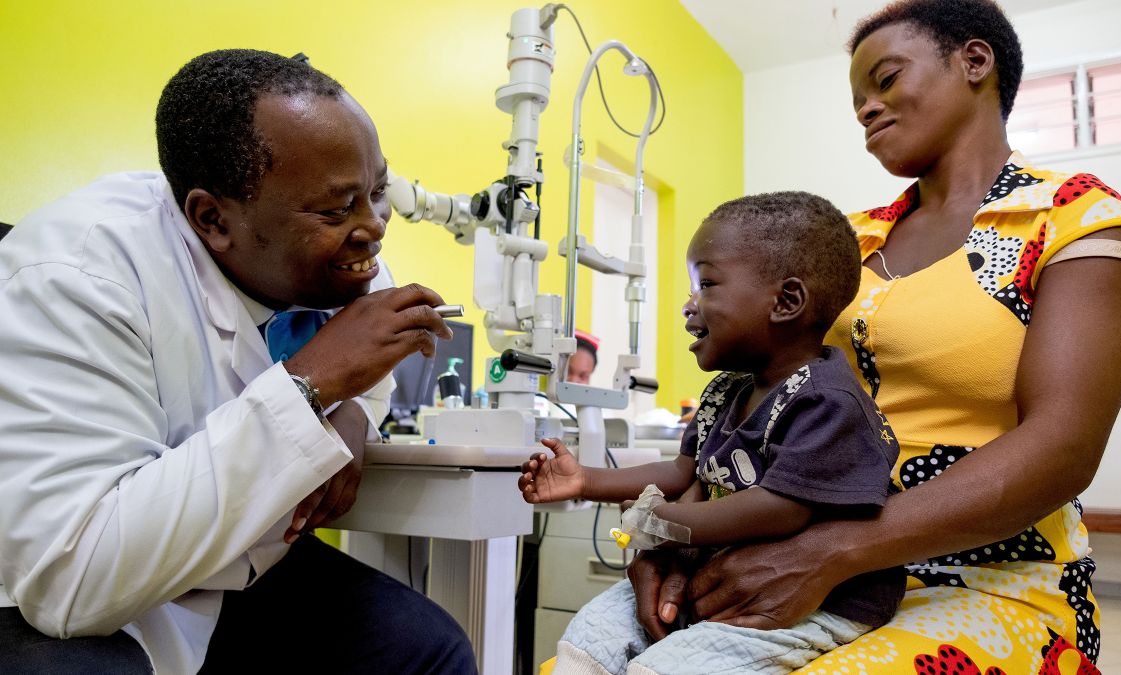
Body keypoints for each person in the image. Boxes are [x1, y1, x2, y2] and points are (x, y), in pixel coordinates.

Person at [623, 1, 1121, 673]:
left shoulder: (1072, 219)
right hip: (796, 564)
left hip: (988, 575)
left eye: (887, 79)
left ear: (974, 62)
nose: (867, 109)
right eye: (857, 101)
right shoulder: (845, 240)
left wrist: (830, 551)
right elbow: (753, 404)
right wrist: (674, 537)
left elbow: (1063, 446)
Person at [0, 49, 476, 674]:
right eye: (336, 209)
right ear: (212, 218)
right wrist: (308, 385)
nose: (373, 228)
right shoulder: (78, 277)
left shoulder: (344, 264)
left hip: (230, 566)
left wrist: (355, 413)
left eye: (377, 191)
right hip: (63, 590)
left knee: (427, 650)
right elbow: (72, 581)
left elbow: (371, 369)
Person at [521, 192, 904, 675]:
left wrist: (665, 522)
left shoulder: (827, 400)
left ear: (785, 301)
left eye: (706, 284)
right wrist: (586, 481)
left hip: (817, 602)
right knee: (588, 639)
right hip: (720, 573)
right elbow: (684, 470)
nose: (688, 305)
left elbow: (781, 507)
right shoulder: (727, 391)